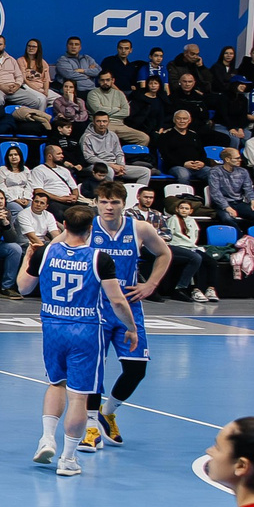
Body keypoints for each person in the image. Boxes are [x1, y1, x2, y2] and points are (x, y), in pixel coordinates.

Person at [18, 201, 138, 476]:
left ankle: (47, 437)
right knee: (79, 397)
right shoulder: (99, 258)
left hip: (52, 326)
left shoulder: (46, 252)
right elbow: (117, 301)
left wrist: (28, 259)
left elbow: (24, 288)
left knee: (55, 383)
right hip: (85, 330)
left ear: (62, 226)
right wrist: (131, 327)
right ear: (91, 228)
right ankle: (68, 459)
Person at [74, 179, 173, 452]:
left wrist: (151, 284)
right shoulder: (87, 227)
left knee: (136, 369)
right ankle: (91, 427)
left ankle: (108, 412)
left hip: (128, 306)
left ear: (123, 204)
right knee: (95, 370)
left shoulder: (139, 228)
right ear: (95, 203)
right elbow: (59, 248)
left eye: (114, 202)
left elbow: (164, 253)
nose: (108, 206)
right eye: (103, 201)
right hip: (94, 307)